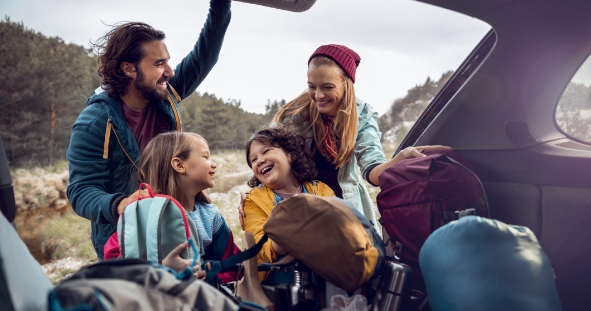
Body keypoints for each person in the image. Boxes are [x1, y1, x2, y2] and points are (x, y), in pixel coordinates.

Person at [66, 0, 232, 259]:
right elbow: (81, 191)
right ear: (129, 69)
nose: (169, 71)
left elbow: (205, 57)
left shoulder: (165, 94)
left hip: (175, 226)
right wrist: (122, 204)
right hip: (125, 240)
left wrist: (220, 8)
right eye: (158, 64)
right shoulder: (94, 122)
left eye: (167, 61)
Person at [244, 44, 446, 233]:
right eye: (312, 86)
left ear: (346, 84)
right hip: (302, 204)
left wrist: (400, 158)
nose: (318, 95)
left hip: (345, 206)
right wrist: (255, 198)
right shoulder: (295, 115)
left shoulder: (363, 115)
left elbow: (373, 173)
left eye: (328, 87)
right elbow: (269, 157)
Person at [104, 132, 241, 281]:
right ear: (179, 165)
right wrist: (161, 269)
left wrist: (211, 277)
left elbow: (232, 264)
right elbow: (114, 267)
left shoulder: (209, 216)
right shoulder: (142, 215)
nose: (213, 164)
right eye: (205, 157)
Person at [242, 125, 335, 267]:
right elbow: (259, 246)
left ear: (291, 155)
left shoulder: (321, 190)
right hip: (278, 280)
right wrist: (288, 235)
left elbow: (338, 226)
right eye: (253, 160)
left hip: (328, 271)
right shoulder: (253, 201)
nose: (259, 160)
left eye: (266, 151)